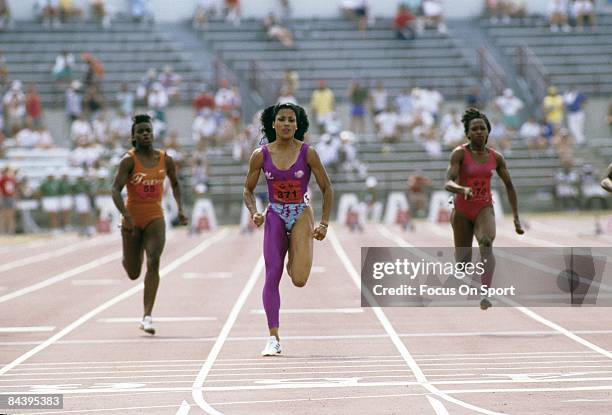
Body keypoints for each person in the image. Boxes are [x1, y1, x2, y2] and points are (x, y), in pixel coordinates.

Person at [243, 103, 333, 356]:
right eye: (281, 119)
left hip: (301, 213)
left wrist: (324, 223)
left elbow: (327, 188)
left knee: (300, 280)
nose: (285, 124)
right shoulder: (260, 154)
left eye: (291, 120)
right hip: (275, 214)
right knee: (272, 273)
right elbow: (247, 189)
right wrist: (255, 212)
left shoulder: (308, 153)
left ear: (297, 125)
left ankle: (296, 252)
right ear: (273, 124)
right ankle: (273, 337)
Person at [111, 114, 188, 335]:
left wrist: (181, 209)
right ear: (134, 136)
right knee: (134, 272)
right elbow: (115, 189)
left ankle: (147, 315)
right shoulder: (128, 160)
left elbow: (175, 183)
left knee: (154, 261)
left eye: (148, 130)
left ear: (153, 134)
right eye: (141, 131)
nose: (145, 134)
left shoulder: (165, 159)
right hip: (132, 218)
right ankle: (127, 256)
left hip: (155, 215)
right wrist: (125, 214)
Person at [444, 108, 524, 310]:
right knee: (463, 264)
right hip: (462, 209)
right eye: (475, 129)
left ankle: (485, 292)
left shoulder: (496, 158)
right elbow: (448, 183)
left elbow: (509, 186)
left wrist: (515, 217)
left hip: (484, 208)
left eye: (482, 128)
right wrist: (462, 189)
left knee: (486, 243)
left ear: (488, 132)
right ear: (468, 133)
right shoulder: (459, 153)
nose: (479, 131)